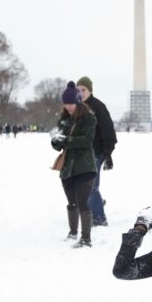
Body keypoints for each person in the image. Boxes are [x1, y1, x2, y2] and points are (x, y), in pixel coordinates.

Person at [52, 81, 98, 248]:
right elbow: (59, 145)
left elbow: (87, 141)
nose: (68, 107)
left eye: (71, 103)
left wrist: (67, 140)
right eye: (65, 103)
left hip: (85, 167)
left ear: (78, 102)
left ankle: (86, 238)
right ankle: (72, 232)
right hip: (67, 169)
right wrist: (55, 140)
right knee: (71, 202)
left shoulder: (89, 118)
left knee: (82, 202)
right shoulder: (63, 120)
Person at [76, 76, 117, 227]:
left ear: (90, 90)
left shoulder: (98, 106)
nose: (80, 92)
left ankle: (99, 218)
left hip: (95, 152)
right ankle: (96, 202)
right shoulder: (76, 106)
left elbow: (108, 131)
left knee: (91, 185)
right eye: (78, 90)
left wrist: (107, 152)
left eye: (83, 89)